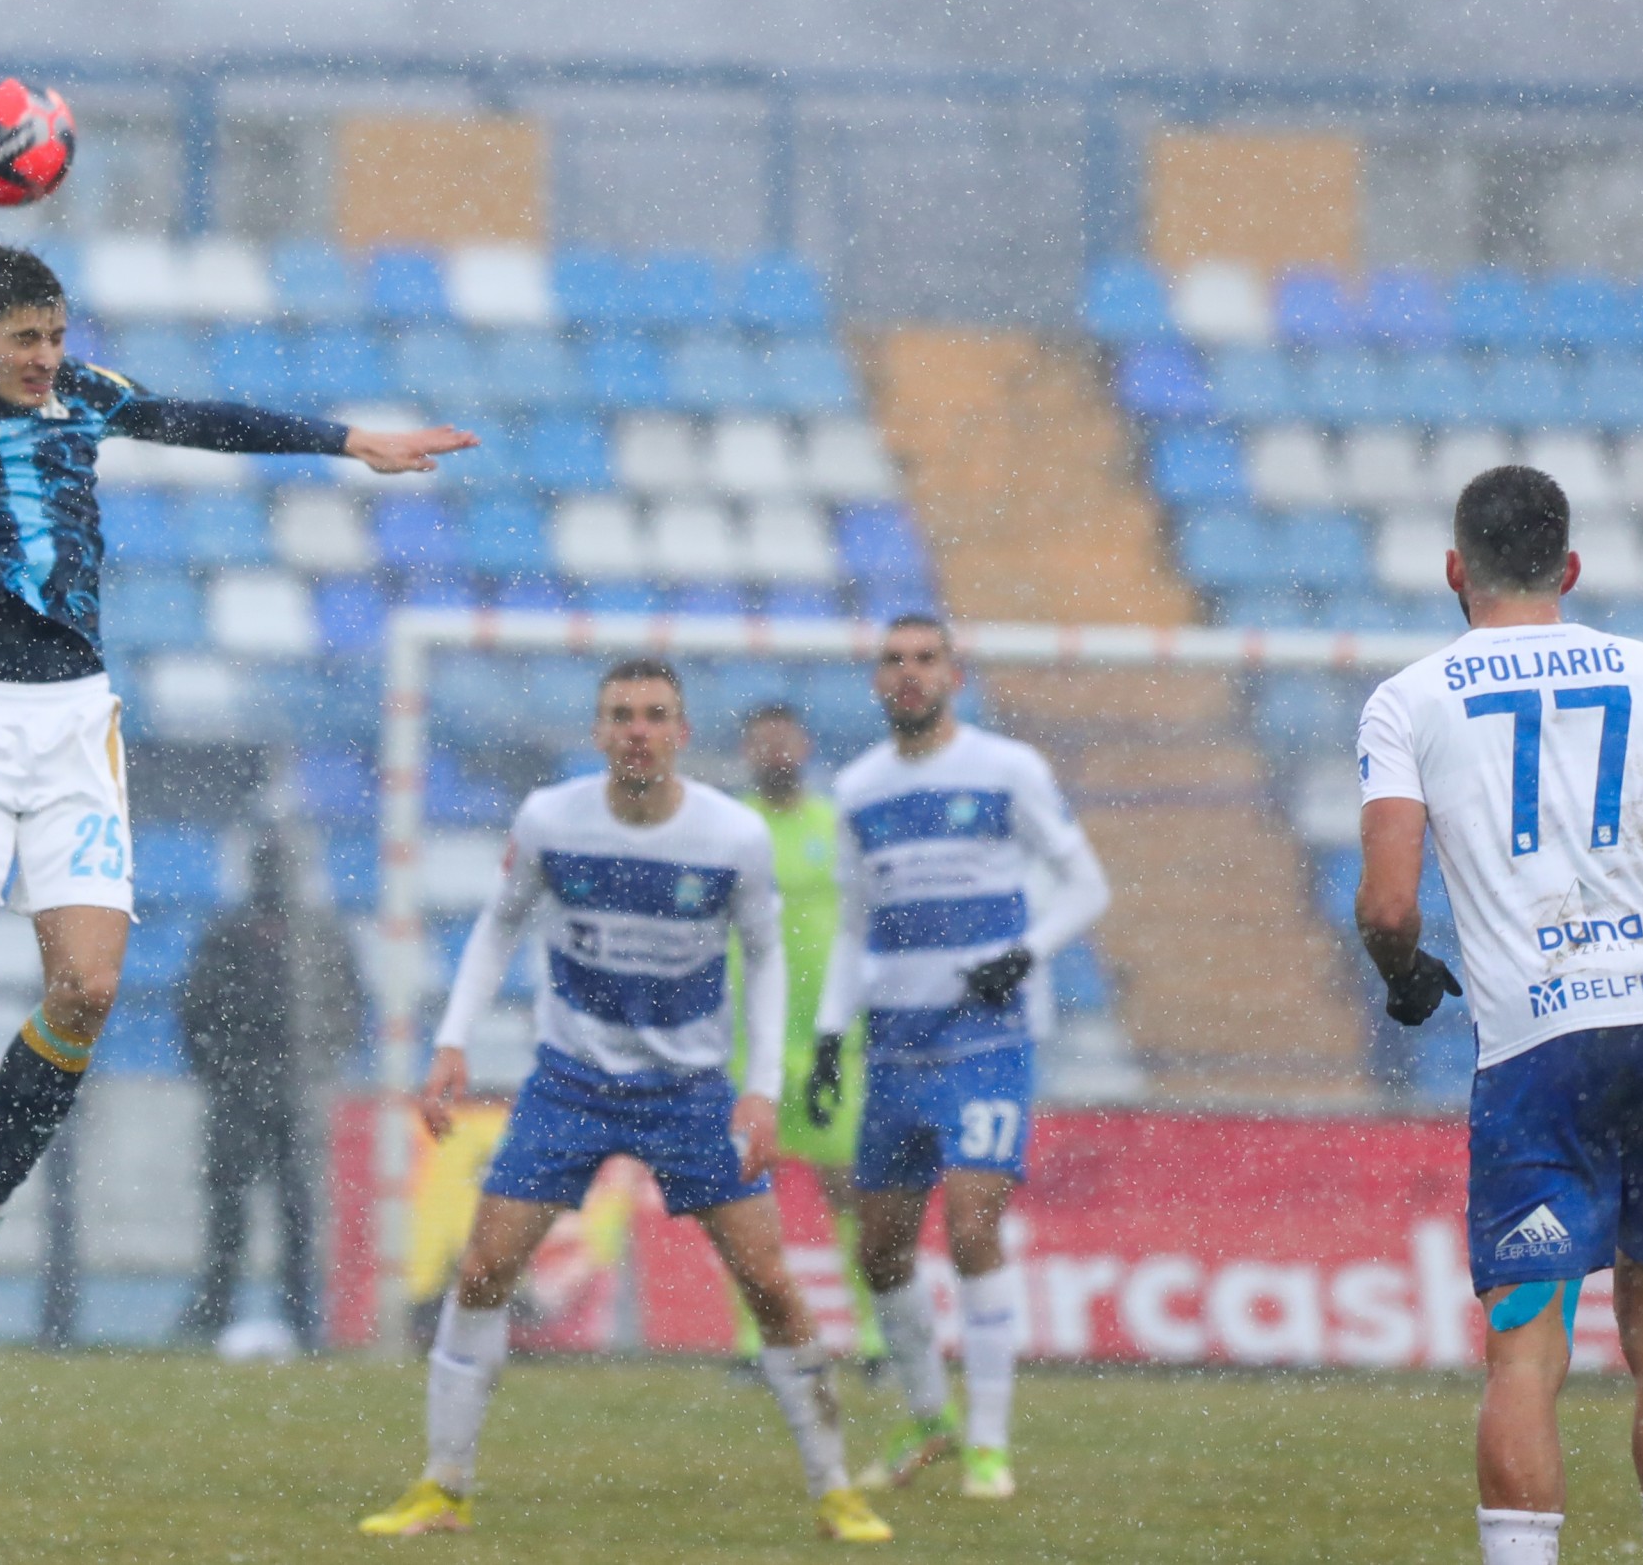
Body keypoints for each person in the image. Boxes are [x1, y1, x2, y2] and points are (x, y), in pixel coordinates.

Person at [0, 237, 474, 1357]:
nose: (48, 359)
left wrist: (353, 443)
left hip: (76, 728)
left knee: (88, 989)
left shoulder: (84, 403)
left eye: (57, 337)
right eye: (27, 340)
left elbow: (203, 419)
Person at [1352, 465, 1643, 1565]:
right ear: (1567, 569)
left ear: (1455, 570)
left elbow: (1383, 905)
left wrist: (1404, 971)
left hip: (1542, 1041)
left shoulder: (1410, 698)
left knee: (1526, 1346)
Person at [359, 660, 892, 1545]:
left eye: (654, 715)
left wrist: (758, 1090)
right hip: (569, 1081)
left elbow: (762, 959)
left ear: (681, 732)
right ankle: (442, 1484)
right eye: (620, 715)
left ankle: (836, 1490)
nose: (637, 729)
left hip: (688, 1091)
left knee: (770, 1282)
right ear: (599, 732)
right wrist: (452, 1039)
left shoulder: (729, 836)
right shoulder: (551, 821)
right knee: (486, 1267)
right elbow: (499, 924)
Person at [808, 613, 1111, 1501]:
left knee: (973, 1224)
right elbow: (857, 928)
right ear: (876, 680)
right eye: (894, 661)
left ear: (955, 673)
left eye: (925, 659)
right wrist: (831, 1035)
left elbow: (1088, 885)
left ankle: (988, 1441)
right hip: (895, 1046)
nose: (909, 674)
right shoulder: (858, 789)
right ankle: (927, 1414)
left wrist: (1029, 949)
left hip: (988, 1039)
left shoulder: (1008, 769)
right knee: (881, 1253)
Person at [728, 704, 884, 1371]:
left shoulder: (837, 825)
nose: (776, 752)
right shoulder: (729, 827)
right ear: (747, 751)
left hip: (829, 1039)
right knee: (744, 1191)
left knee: (849, 1187)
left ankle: (872, 1336)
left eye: (785, 739)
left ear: (806, 744)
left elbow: (867, 923)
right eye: (763, 742)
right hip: (748, 1040)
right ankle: (754, 1339)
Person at [172, 827, 359, 1350]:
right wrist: (227, 1075)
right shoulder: (232, 932)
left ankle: (299, 1320)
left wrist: (311, 1071)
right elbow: (195, 1011)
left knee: (294, 1212)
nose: (275, 877)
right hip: (245, 1092)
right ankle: (220, 1312)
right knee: (232, 1212)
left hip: (287, 1092)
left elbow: (346, 1008)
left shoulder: (316, 934)